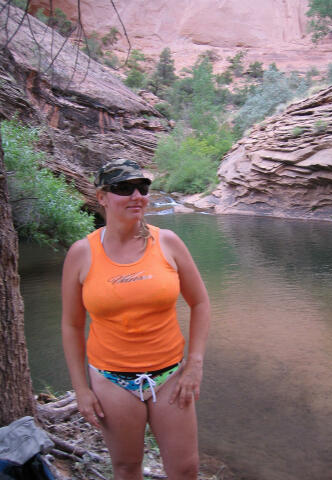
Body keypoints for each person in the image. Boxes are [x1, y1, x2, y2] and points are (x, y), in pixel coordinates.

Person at [61, 158, 210, 480]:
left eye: (142, 187)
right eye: (123, 188)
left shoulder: (168, 242)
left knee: (186, 469)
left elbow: (200, 303)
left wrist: (195, 363)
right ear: (101, 196)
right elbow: (72, 325)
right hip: (112, 379)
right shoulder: (81, 254)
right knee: (127, 468)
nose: (136, 195)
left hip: (170, 375)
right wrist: (80, 389)